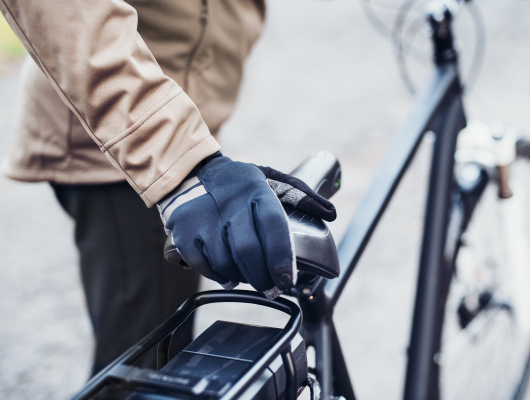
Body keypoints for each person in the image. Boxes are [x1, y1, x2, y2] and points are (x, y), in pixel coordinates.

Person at [0, 0, 335, 375]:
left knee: (162, 354)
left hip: (178, 128)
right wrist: (183, 163)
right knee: (144, 371)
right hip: (120, 145)